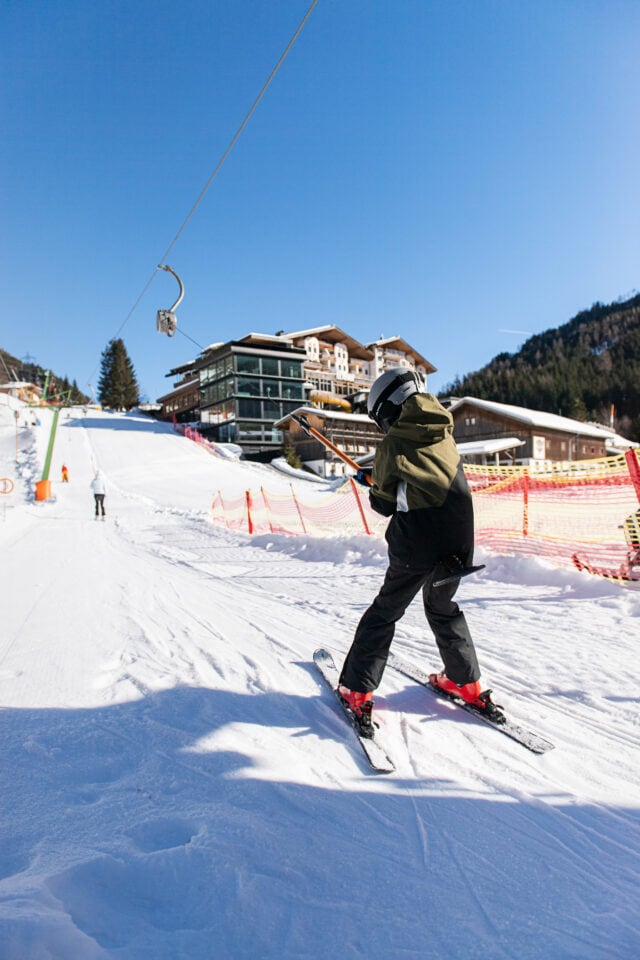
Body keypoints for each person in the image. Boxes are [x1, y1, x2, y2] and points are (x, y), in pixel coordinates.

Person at [338, 368, 496, 736]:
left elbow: (384, 504)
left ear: (389, 409)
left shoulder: (392, 443)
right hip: (459, 541)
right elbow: (424, 479)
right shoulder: (445, 433)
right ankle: (465, 682)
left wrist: (373, 482)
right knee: (442, 606)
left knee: (386, 611)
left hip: (418, 542)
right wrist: (383, 477)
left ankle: (357, 690)